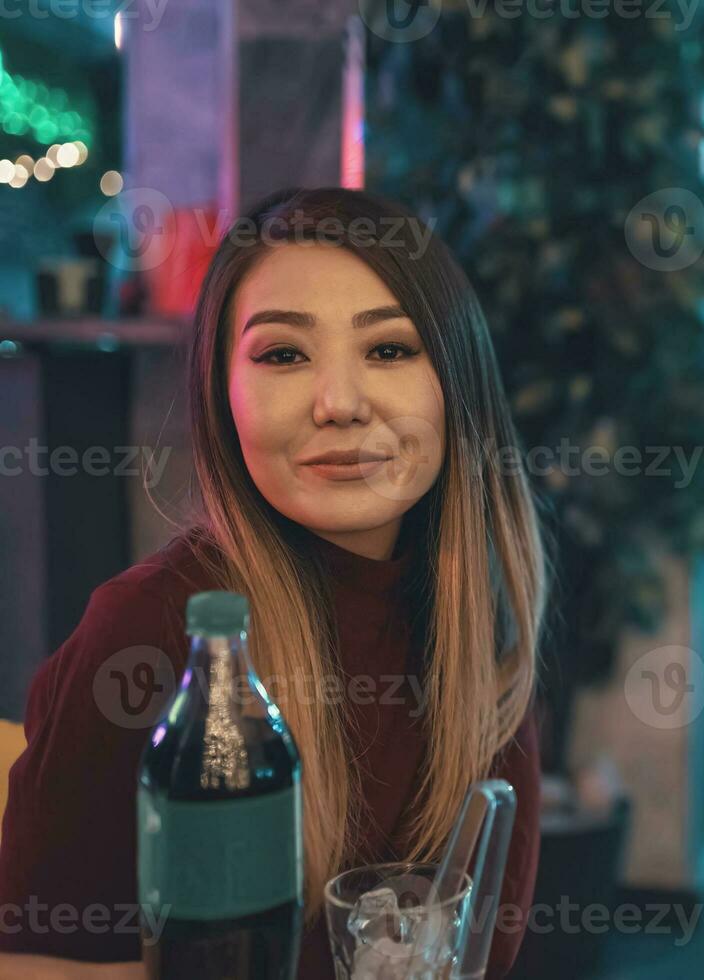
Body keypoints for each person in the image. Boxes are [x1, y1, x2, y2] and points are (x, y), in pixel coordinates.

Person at [0, 188, 547, 979]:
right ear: (222, 397)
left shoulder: (481, 629)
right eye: (284, 355)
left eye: (389, 350)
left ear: (457, 386)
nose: (339, 404)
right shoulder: (151, 634)